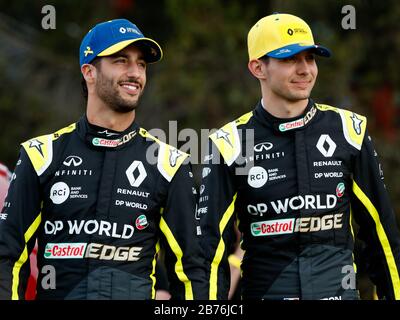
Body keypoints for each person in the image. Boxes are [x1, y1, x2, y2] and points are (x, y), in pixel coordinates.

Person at [0, 18, 207, 300]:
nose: (135, 73)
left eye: (141, 64)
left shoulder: (169, 163)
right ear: (89, 72)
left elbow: (190, 270)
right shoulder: (41, 154)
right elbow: (9, 256)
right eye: (121, 60)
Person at [198, 13, 400, 300]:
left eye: (310, 58)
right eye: (290, 59)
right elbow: (209, 252)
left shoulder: (349, 130)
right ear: (258, 68)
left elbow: (382, 236)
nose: (305, 69)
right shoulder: (230, 143)